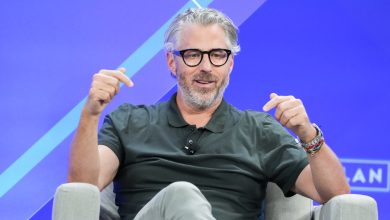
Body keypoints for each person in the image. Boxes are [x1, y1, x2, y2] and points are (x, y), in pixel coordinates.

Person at [68, 8, 350, 220]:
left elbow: (336, 196)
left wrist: (307, 134)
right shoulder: (129, 121)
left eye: (217, 55)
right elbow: (82, 188)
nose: (206, 66)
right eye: (193, 54)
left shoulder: (259, 130)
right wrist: (90, 114)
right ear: (172, 62)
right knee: (182, 194)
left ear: (230, 65)